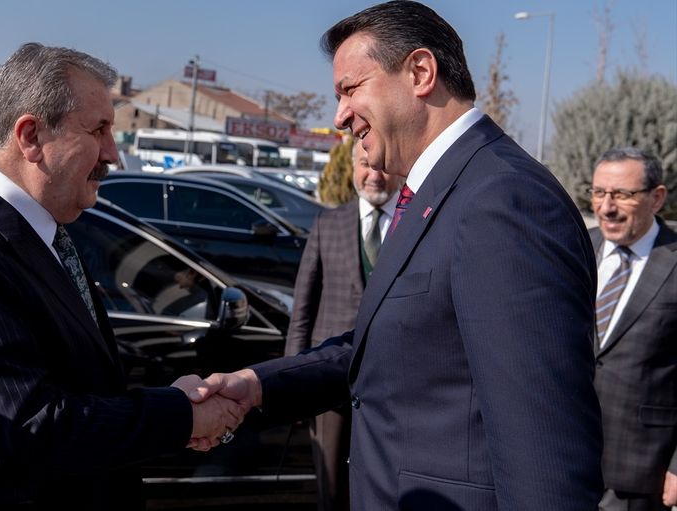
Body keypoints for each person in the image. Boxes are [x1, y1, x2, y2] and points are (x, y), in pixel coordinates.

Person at [190, 2, 604, 509]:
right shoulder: (441, 190)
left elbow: (544, 451)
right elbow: (390, 346)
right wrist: (259, 385)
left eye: (350, 89)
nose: (340, 116)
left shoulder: (503, 200)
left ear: (421, 72)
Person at [0, 42, 242, 511]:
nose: (113, 153)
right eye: (99, 130)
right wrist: (179, 415)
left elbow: (77, 389)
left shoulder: (38, 232)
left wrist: (172, 403)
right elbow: (36, 423)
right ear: (30, 136)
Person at [285, 138, 402, 511]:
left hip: (392, 392)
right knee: (332, 492)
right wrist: (292, 384)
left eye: (381, 166)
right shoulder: (327, 224)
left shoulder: (415, 225)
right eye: (366, 165)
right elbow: (302, 312)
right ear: (353, 167)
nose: (374, 175)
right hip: (329, 387)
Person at [588, 147, 677, 511]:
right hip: (564, 457)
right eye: (598, 193)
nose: (606, 207)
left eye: (622, 194)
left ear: (656, 198)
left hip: (640, 473)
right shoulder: (577, 246)